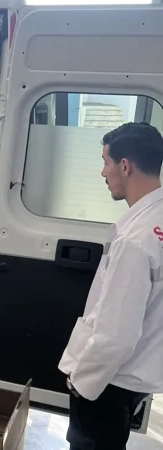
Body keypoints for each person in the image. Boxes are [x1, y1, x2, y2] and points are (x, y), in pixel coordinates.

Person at [59, 122, 163, 450]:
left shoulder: (135, 241)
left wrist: (82, 382)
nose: (103, 172)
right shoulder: (157, 223)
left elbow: (116, 336)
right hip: (138, 373)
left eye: (106, 162)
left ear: (125, 166)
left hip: (109, 381)